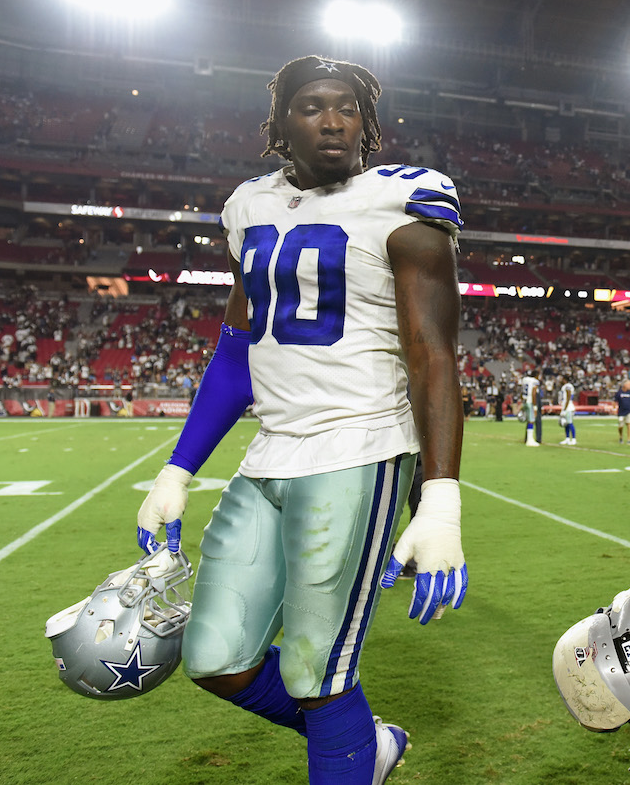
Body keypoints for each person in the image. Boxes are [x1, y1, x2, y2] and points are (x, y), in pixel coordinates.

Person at [133, 55, 468, 785]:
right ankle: (364, 745)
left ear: (367, 121)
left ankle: (346, 748)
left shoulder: (403, 201)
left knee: (320, 672)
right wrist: (177, 469)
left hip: (360, 447)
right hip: (270, 456)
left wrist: (439, 496)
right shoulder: (248, 205)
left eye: (348, 107)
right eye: (314, 106)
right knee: (216, 658)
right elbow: (235, 351)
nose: (334, 120)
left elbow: (434, 354)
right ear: (280, 122)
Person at [521, 371, 541, 446]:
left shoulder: (525, 380)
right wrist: (535, 406)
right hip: (530, 401)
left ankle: (529, 438)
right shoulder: (535, 381)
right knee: (531, 420)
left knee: (529, 420)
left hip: (525, 400)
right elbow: (533, 393)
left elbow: (522, 391)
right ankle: (529, 440)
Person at [615, 378, 630, 444]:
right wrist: (614, 409)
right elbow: (615, 401)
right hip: (621, 412)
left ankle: (629, 440)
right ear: (624, 385)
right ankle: (621, 437)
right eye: (629, 384)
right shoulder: (619, 393)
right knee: (621, 426)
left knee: (629, 424)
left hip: (629, 411)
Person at [558, 377, 577, 445]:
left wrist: (565, 408)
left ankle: (574, 439)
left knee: (570, 422)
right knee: (566, 424)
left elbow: (568, 396)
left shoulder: (568, 386)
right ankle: (567, 438)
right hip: (565, 406)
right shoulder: (565, 386)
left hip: (568, 407)